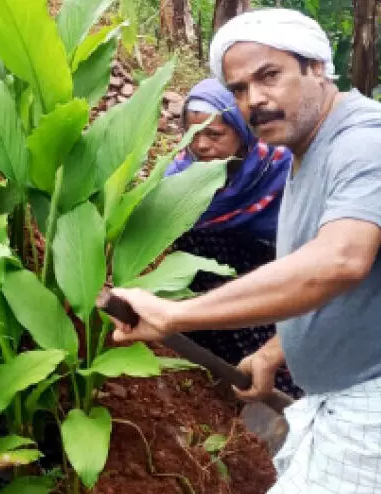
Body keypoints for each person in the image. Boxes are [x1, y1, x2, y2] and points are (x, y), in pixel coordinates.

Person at [99, 8, 381, 493]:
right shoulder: (307, 149)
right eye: (239, 89)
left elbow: (340, 261)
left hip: (366, 405)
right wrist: (274, 351)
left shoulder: (363, 143)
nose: (255, 100)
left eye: (269, 76)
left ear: (317, 67)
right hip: (333, 397)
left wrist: (174, 314)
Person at [164, 78, 301, 398]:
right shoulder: (179, 178)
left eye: (214, 134)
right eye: (194, 134)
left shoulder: (278, 168)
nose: (201, 145)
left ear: (242, 131)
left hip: (279, 276)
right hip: (215, 284)